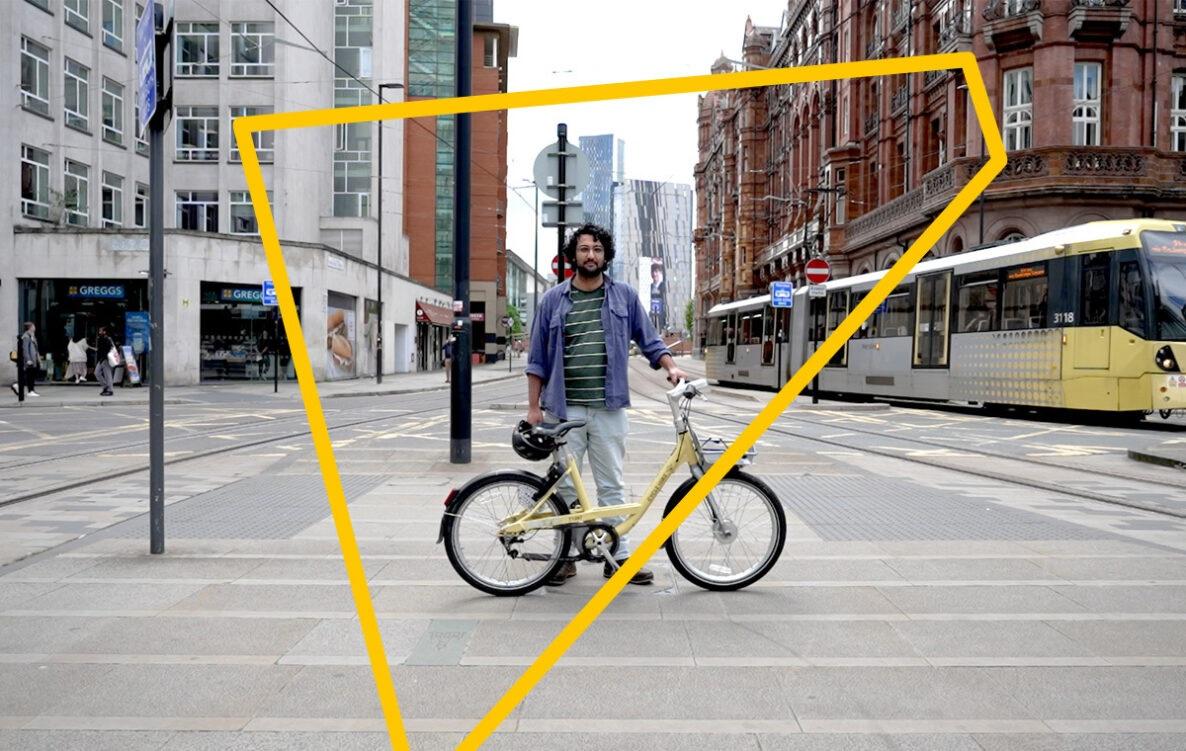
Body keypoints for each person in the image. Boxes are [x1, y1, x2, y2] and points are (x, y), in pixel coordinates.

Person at [526, 223, 689, 586]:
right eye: (584, 249)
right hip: (563, 410)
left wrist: (671, 366)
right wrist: (533, 408)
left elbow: (650, 341)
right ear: (573, 256)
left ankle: (618, 556)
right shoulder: (553, 300)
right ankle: (565, 557)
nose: (591, 255)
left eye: (597, 250)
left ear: (606, 255)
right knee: (566, 488)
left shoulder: (624, 297)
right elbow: (536, 358)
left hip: (608, 406)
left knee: (611, 484)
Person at [11, 322, 40, 398]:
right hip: (29, 360)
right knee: (29, 375)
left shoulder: (31, 336)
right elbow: (25, 349)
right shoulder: (26, 337)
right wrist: (28, 359)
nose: (34, 327)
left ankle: (29, 389)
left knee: (30, 375)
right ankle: (29, 390)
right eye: (33, 326)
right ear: (30, 327)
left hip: (33, 359)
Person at [95, 326, 118, 396]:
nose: (99, 332)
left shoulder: (107, 339)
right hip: (101, 359)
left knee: (108, 375)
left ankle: (110, 390)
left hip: (106, 359)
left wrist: (103, 357)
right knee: (97, 373)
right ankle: (105, 386)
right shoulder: (101, 339)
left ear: (105, 332)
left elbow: (107, 350)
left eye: (100, 331)